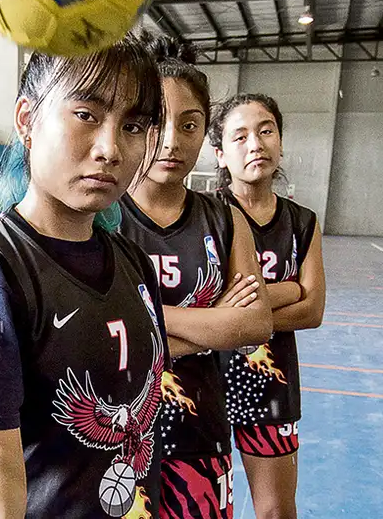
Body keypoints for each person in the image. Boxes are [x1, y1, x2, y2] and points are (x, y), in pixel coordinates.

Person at [0, 34, 171, 518]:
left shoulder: (133, 262)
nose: (110, 148)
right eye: (86, 114)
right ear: (27, 120)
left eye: (133, 125)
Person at [119, 35, 273, 519]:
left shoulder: (227, 221)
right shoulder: (101, 217)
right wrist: (210, 324)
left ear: (205, 134)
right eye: (158, 123)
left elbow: (253, 326)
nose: (171, 141)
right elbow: (87, 336)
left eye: (189, 125)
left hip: (201, 437)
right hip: (116, 442)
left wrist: (135, 322)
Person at [211, 93, 326, 519]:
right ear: (221, 155)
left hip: (272, 386)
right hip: (204, 381)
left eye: (265, 131)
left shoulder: (303, 222)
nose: (255, 144)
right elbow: (206, 301)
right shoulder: (207, 217)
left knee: (276, 511)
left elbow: (313, 310)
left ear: (280, 142)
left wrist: (239, 313)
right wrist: (289, 288)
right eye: (239, 137)